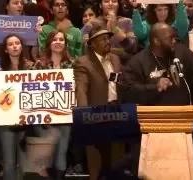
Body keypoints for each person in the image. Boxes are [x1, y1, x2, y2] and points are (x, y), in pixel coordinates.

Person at [74, 25, 123, 180]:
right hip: (95, 113)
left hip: (117, 111)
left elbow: (122, 83)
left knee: (117, 159)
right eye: (102, 39)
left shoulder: (115, 59)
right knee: (96, 161)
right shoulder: (83, 62)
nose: (107, 41)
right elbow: (81, 89)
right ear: (92, 44)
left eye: (108, 38)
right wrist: (84, 114)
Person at [122, 22, 193, 106]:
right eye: (170, 38)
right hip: (153, 118)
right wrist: (155, 87)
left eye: (174, 37)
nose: (174, 41)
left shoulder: (182, 52)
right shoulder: (138, 62)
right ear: (156, 41)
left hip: (185, 115)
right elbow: (129, 90)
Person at [31, 30, 74, 180]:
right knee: (45, 157)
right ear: (49, 44)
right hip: (43, 118)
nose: (58, 42)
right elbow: (28, 88)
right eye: (54, 39)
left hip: (64, 117)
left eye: (61, 40)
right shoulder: (39, 64)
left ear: (65, 44)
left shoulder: (72, 64)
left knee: (61, 153)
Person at [0, 34, 31, 180]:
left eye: (17, 43)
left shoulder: (32, 68)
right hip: (6, 123)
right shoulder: (0, 73)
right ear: (6, 50)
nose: (14, 46)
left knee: (26, 164)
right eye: (10, 44)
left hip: (28, 122)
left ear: (21, 46)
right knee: (9, 162)